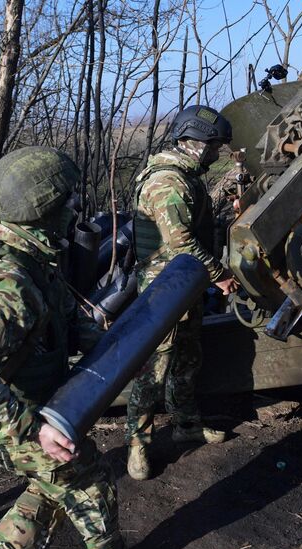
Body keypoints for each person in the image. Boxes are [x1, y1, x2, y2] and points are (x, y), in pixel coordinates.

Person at [0, 146, 163, 549]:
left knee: (51, 486)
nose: (74, 208)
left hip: (36, 401)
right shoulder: (9, 283)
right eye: (66, 200)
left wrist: (118, 358)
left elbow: (65, 318)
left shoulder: (30, 255)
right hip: (15, 415)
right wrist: (33, 431)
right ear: (43, 209)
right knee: (88, 478)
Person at [125, 105, 240, 481]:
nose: (217, 153)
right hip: (164, 288)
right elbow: (181, 244)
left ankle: (185, 423)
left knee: (189, 356)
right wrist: (219, 274)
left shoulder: (188, 176)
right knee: (153, 367)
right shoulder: (168, 182)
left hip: (185, 284)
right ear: (195, 141)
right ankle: (138, 444)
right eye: (214, 146)